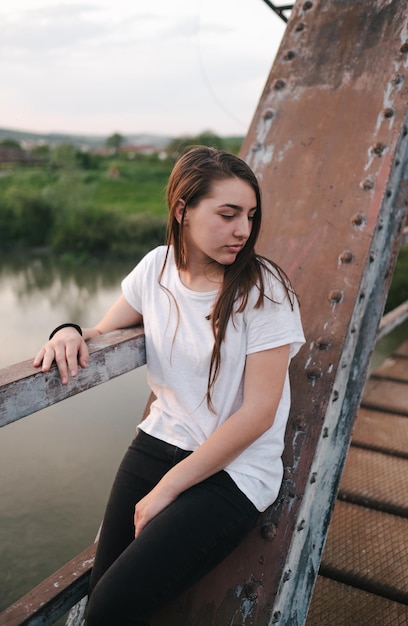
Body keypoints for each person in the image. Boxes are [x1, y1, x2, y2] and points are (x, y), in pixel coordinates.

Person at [34, 146, 305, 625]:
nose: (243, 229)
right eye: (228, 214)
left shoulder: (263, 290)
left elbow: (259, 413)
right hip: (158, 443)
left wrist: (167, 490)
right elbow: (101, 330)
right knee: (102, 593)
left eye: (249, 215)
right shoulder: (156, 269)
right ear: (183, 210)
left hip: (234, 471)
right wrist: (66, 330)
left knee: (113, 608)